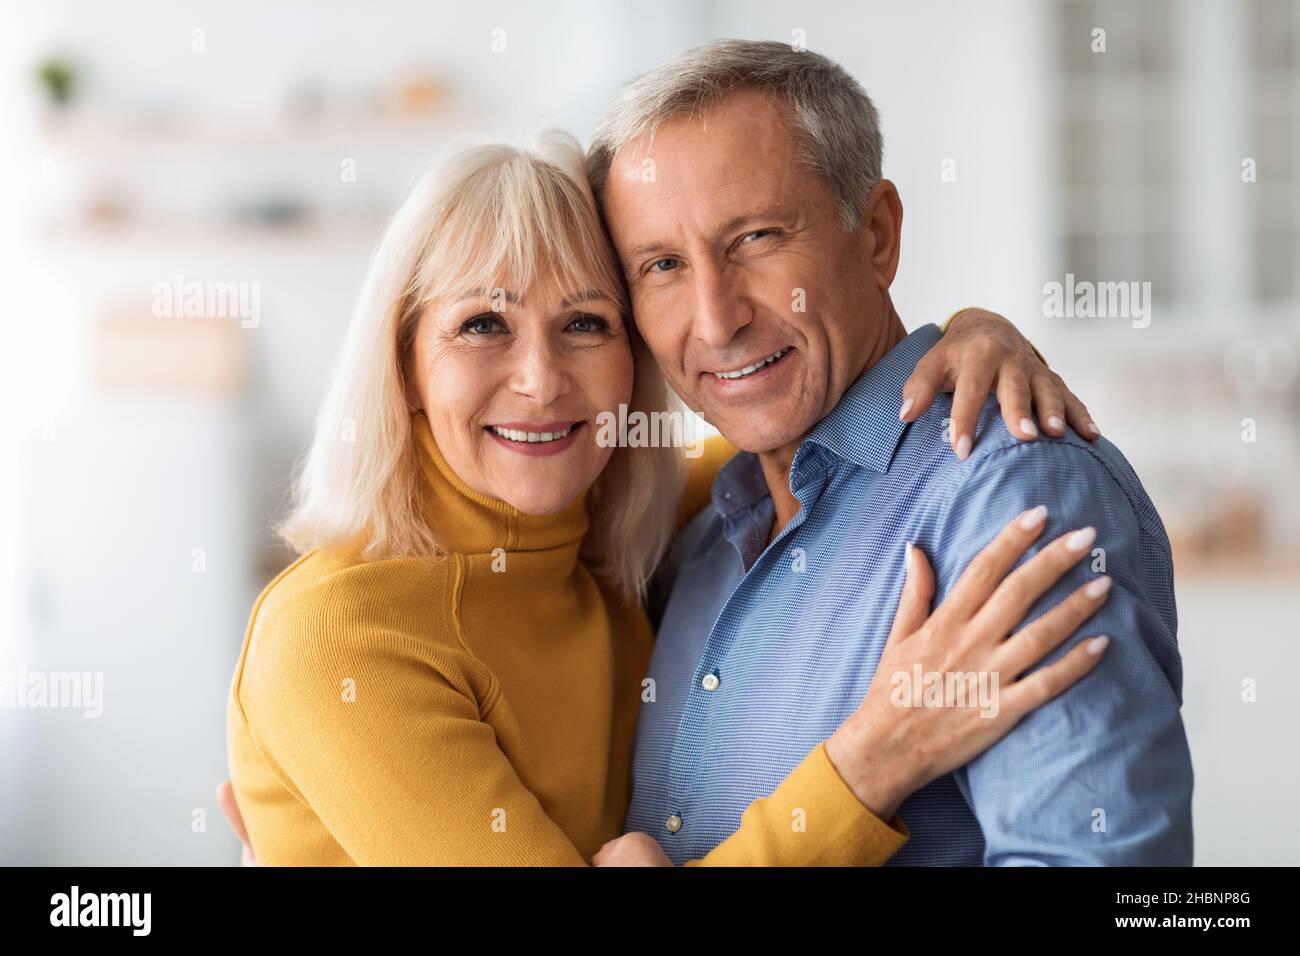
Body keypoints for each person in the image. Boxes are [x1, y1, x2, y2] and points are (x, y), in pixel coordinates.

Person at [219, 127, 1107, 865]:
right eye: (482, 325)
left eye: (585, 324)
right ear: (404, 362)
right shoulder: (338, 637)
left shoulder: (630, 531)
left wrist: (971, 336)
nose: (540, 380)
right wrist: (874, 762)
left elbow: (811, 419)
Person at [588, 39, 1193, 866]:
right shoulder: (693, 543)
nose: (715, 319)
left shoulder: (1011, 496)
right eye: (661, 265)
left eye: (757, 238)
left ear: (876, 234)